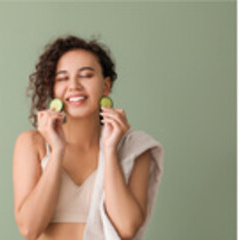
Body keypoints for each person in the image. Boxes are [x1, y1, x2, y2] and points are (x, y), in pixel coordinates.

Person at [11, 35, 163, 240]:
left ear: (106, 86)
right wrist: (57, 152)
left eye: (86, 75)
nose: (74, 86)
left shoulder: (133, 147)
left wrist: (109, 151)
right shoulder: (32, 143)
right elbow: (30, 228)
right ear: (53, 89)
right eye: (63, 78)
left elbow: (127, 228)